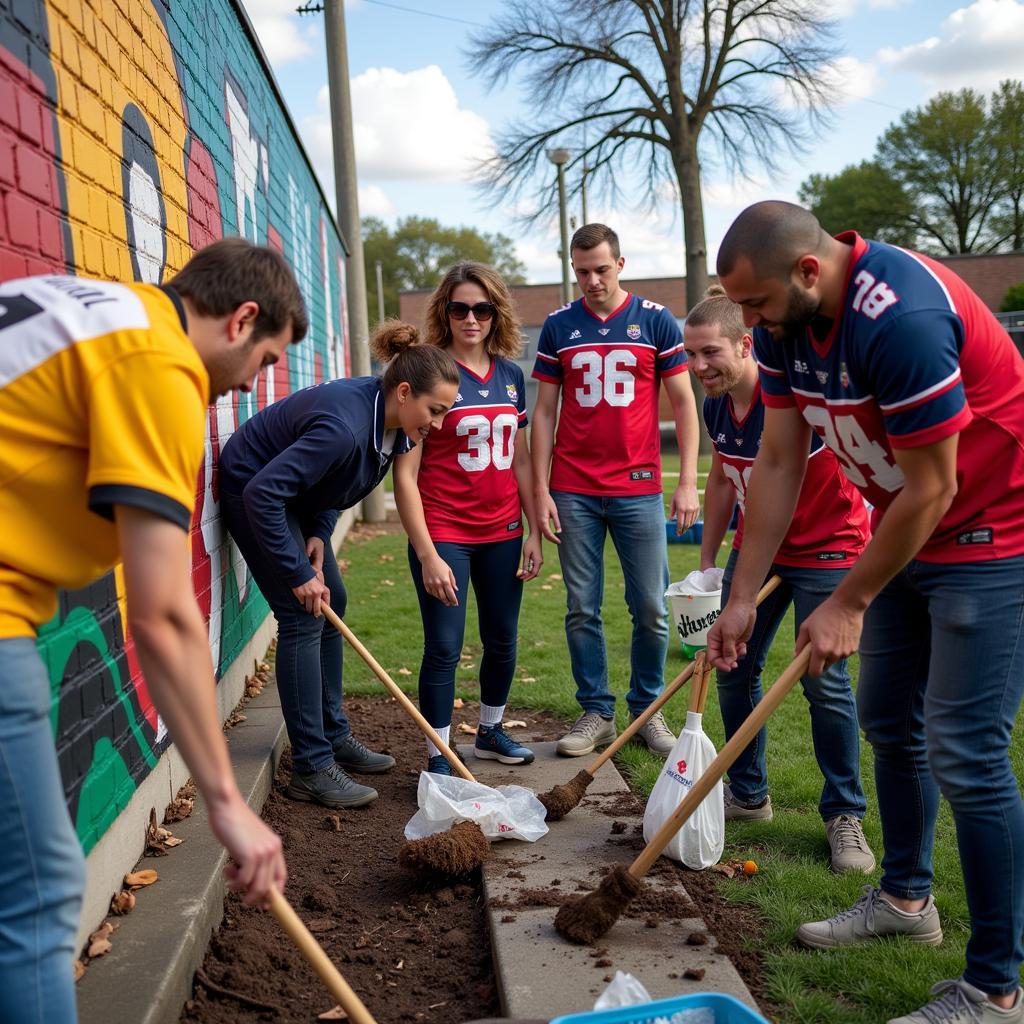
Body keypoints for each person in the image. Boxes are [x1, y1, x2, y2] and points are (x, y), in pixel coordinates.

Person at [709, 201, 1024, 1024]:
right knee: (889, 721)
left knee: (967, 752)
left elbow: (936, 486)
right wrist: (741, 597)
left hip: (992, 531)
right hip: (910, 528)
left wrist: (849, 600)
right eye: (738, 307)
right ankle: (906, 901)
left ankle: (996, 990)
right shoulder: (783, 329)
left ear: (809, 272)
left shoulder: (902, 316)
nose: (748, 325)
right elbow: (777, 459)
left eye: (756, 305)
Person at [0, 237, 299, 1024]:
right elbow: (164, 613)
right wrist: (227, 803)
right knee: (38, 892)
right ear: (240, 320)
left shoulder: (104, 311)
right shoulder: (161, 365)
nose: (254, 381)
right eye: (265, 357)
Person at [218, 321, 459, 810]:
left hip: (292, 501)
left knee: (335, 599)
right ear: (405, 392)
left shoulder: (397, 428)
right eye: (435, 410)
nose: (438, 423)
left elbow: (338, 486)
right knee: (302, 613)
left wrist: (317, 534)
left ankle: (333, 732)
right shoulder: (344, 428)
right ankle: (311, 765)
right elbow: (265, 492)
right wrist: (299, 573)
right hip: (253, 487)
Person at [685, 285, 873, 873]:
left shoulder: (787, 396)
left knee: (823, 683)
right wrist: (709, 561)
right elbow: (721, 479)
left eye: (710, 353)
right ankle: (749, 794)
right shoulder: (717, 404)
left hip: (829, 548)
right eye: (691, 356)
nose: (698, 368)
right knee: (732, 668)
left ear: (745, 344)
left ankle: (845, 815)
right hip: (759, 552)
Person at [532, 223, 702, 758]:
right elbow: (543, 412)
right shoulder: (559, 325)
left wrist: (688, 480)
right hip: (574, 488)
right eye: (581, 272)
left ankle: (647, 711)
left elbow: (683, 404)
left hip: (638, 485)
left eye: (601, 269)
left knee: (650, 606)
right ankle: (597, 711)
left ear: (621, 264)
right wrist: (539, 489)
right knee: (582, 605)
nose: (591, 280)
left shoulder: (654, 320)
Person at [394, 262, 542, 774]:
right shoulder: (429, 370)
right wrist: (427, 551)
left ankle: (491, 730)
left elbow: (519, 457)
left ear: (495, 312)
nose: (471, 318)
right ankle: (439, 754)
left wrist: (533, 531)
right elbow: (405, 474)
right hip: (446, 532)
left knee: (502, 637)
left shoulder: (510, 373)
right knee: (445, 645)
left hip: (503, 529)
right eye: (460, 308)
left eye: (482, 308)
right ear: (445, 312)